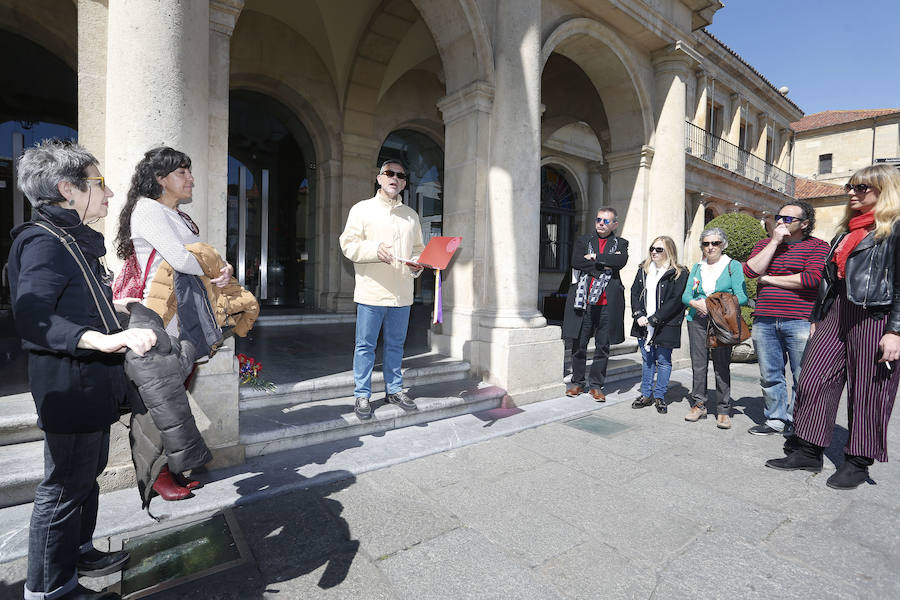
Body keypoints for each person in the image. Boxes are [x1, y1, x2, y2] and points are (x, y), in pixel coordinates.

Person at [9, 140, 156, 600]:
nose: (110, 195)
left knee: (85, 475)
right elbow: (34, 317)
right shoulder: (43, 243)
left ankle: (81, 550)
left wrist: (119, 313)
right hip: (68, 386)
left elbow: (80, 305)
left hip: (93, 382)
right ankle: (49, 588)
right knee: (63, 487)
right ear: (66, 189)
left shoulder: (73, 242)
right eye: (100, 185)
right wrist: (104, 339)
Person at [766, 165, 900, 489]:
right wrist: (816, 319)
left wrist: (895, 330)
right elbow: (829, 281)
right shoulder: (846, 231)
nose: (852, 192)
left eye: (862, 187)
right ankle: (809, 449)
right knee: (813, 379)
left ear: (885, 190)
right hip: (834, 312)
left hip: (875, 316)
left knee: (869, 391)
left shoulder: (894, 230)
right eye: (850, 186)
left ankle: (858, 461)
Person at [113, 147, 231, 501]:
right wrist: (214, 264)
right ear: (161, 179)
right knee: (155, 406)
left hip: (184, 320)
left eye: (189, 171)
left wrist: (221, 271)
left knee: (172, 400)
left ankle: (171, 469)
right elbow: (181, 258)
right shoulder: (148, 210)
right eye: (182, 172)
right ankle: (156, 477)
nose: (190, 178)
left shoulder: (176, 215)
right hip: (158, 319)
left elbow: (198, 258)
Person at [339, 160, 425, 420]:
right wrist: (374, 250)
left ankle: (394, 390)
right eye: (389, 173)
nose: (394, 178)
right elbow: (348, 244)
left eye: (400, 175)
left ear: (404, 183)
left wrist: (417, 265)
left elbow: (419, 250)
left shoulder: (411, 215)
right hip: (371, 292)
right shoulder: (361, 209)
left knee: (396, 345)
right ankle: (362, 394)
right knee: (365, 346)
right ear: (379, 178)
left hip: (402, 293)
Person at [743, 201, 829, 436]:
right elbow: (751, 271)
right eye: (779, 217)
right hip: (764, 318)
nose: (781, 221)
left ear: (805, 224)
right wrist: (774, 242)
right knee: (770, 374)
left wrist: (769, 279)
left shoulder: (818, 246)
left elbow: (811, 280)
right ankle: (775, 419)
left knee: (803, 376)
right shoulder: (764, 244)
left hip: (799, 319)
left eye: (788, 219)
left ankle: (798, 421)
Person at [681, 227, 748, 429]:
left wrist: (711, 306)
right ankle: (699, 404)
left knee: (721, 365)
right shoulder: (696, 267)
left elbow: (742, 297)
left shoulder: (732, 266)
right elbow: (686, 295)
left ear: (723, 245)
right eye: (706, 243)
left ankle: (723, 409)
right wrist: (695, 304)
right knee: (698, 365)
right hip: (696, 320)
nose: (710, 247)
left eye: (715, 243)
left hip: (721, 323)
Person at [562, 207, 629, 401]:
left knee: (602, 346)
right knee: (579, 344)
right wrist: (603, 266)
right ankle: (577, 383)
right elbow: (576, 261)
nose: (601, 223)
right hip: (584, 302)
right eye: (599, 219)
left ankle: (596, 385)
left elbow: (620, 261)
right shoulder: (584, 241)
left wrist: (594, 258)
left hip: (607, 303)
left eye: (606, 221)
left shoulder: (621, 243)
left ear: (614, 224)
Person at [629, 236, 688, 414]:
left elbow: (676, 300)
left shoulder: (679, 272)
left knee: (663, 361)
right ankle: (646, 394)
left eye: (659, 249)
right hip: (642, 323)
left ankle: (660, 396)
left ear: (669, 251)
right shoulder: (643, 269)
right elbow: (634, 292)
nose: (654, 252)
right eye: (652, 248)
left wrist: (654, 318)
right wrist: (638, 314)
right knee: (647, 360)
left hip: (666, 324)